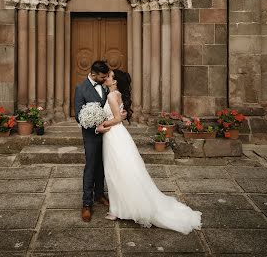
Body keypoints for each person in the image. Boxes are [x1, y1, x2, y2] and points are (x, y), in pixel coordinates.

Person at [98, 69, 202, 234]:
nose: (106, 78)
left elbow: (117, 118)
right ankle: (119, 207)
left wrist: (102, 125)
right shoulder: (116, 94)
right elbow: (120, 115)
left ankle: (117, 210)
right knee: (120, 171)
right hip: (118, 134)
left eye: (109, 76)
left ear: (115, 81)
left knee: (116, 172)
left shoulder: (111, 96)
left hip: (113, 136)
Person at [74, 60, 118, 222]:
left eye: (107, 76)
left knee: (103, 165)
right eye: (102, 76)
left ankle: (99, 194)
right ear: (93, 74)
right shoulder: (81, 88)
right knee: (91, 166)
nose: (105, 78)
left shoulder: (106, 86)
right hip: (91, 135)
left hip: (108, 133)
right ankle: (86, 204)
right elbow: (79, 115)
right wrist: (95, 127)